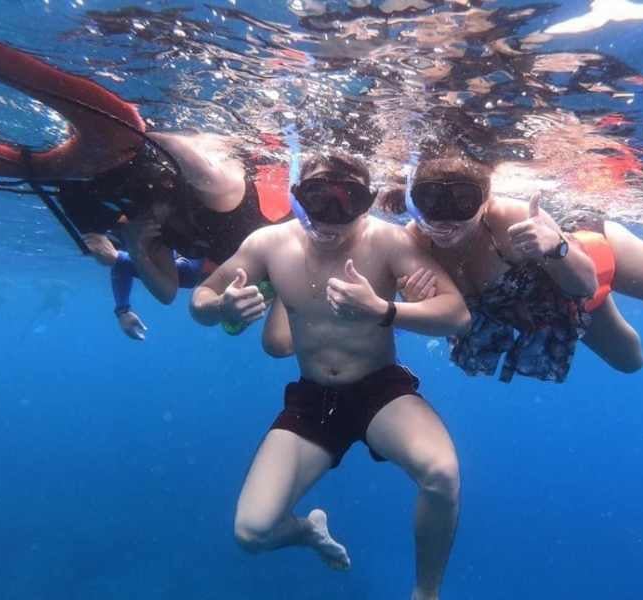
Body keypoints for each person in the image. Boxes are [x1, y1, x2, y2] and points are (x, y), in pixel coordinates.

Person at [190, 151, 470, 600]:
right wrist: (219, 307)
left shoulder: (389, 242)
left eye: (350, 199)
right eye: (319, 197)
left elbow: (457, 314)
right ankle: (306, 532)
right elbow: (201, 299)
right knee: (251, 533)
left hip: (380, 391)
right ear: (298, 196)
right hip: (313, 399)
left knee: (441, 474)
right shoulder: (268, 244)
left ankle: (426, 592)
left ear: (369, 201)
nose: (332, 215)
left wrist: (385, 309)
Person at [0, 19, 291, 311]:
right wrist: (141, 138)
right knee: (208, 183)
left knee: (91, 147)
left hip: (94, 171)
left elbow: (167, 292)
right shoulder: (228, 208)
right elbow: (205, 174)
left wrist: (135, 243)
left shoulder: (210, 241)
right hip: (111, 157)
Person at [380, 144, 643, 381]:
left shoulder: (512, 217)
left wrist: (556, 249)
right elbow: (416, 320)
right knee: (630, 361)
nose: (444, 221)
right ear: (412, 201)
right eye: (429, 202)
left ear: (486, 198)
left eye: (461, 202)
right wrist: (417, 303)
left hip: (586, 257)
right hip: (545, 300)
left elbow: (586, 286)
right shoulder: (411, 244)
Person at [83, 232, 208, 340]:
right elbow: (121, 261)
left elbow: (122, 262)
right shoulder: (192, 273)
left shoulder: (194, 271)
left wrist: (123, 309)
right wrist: (123, 309)